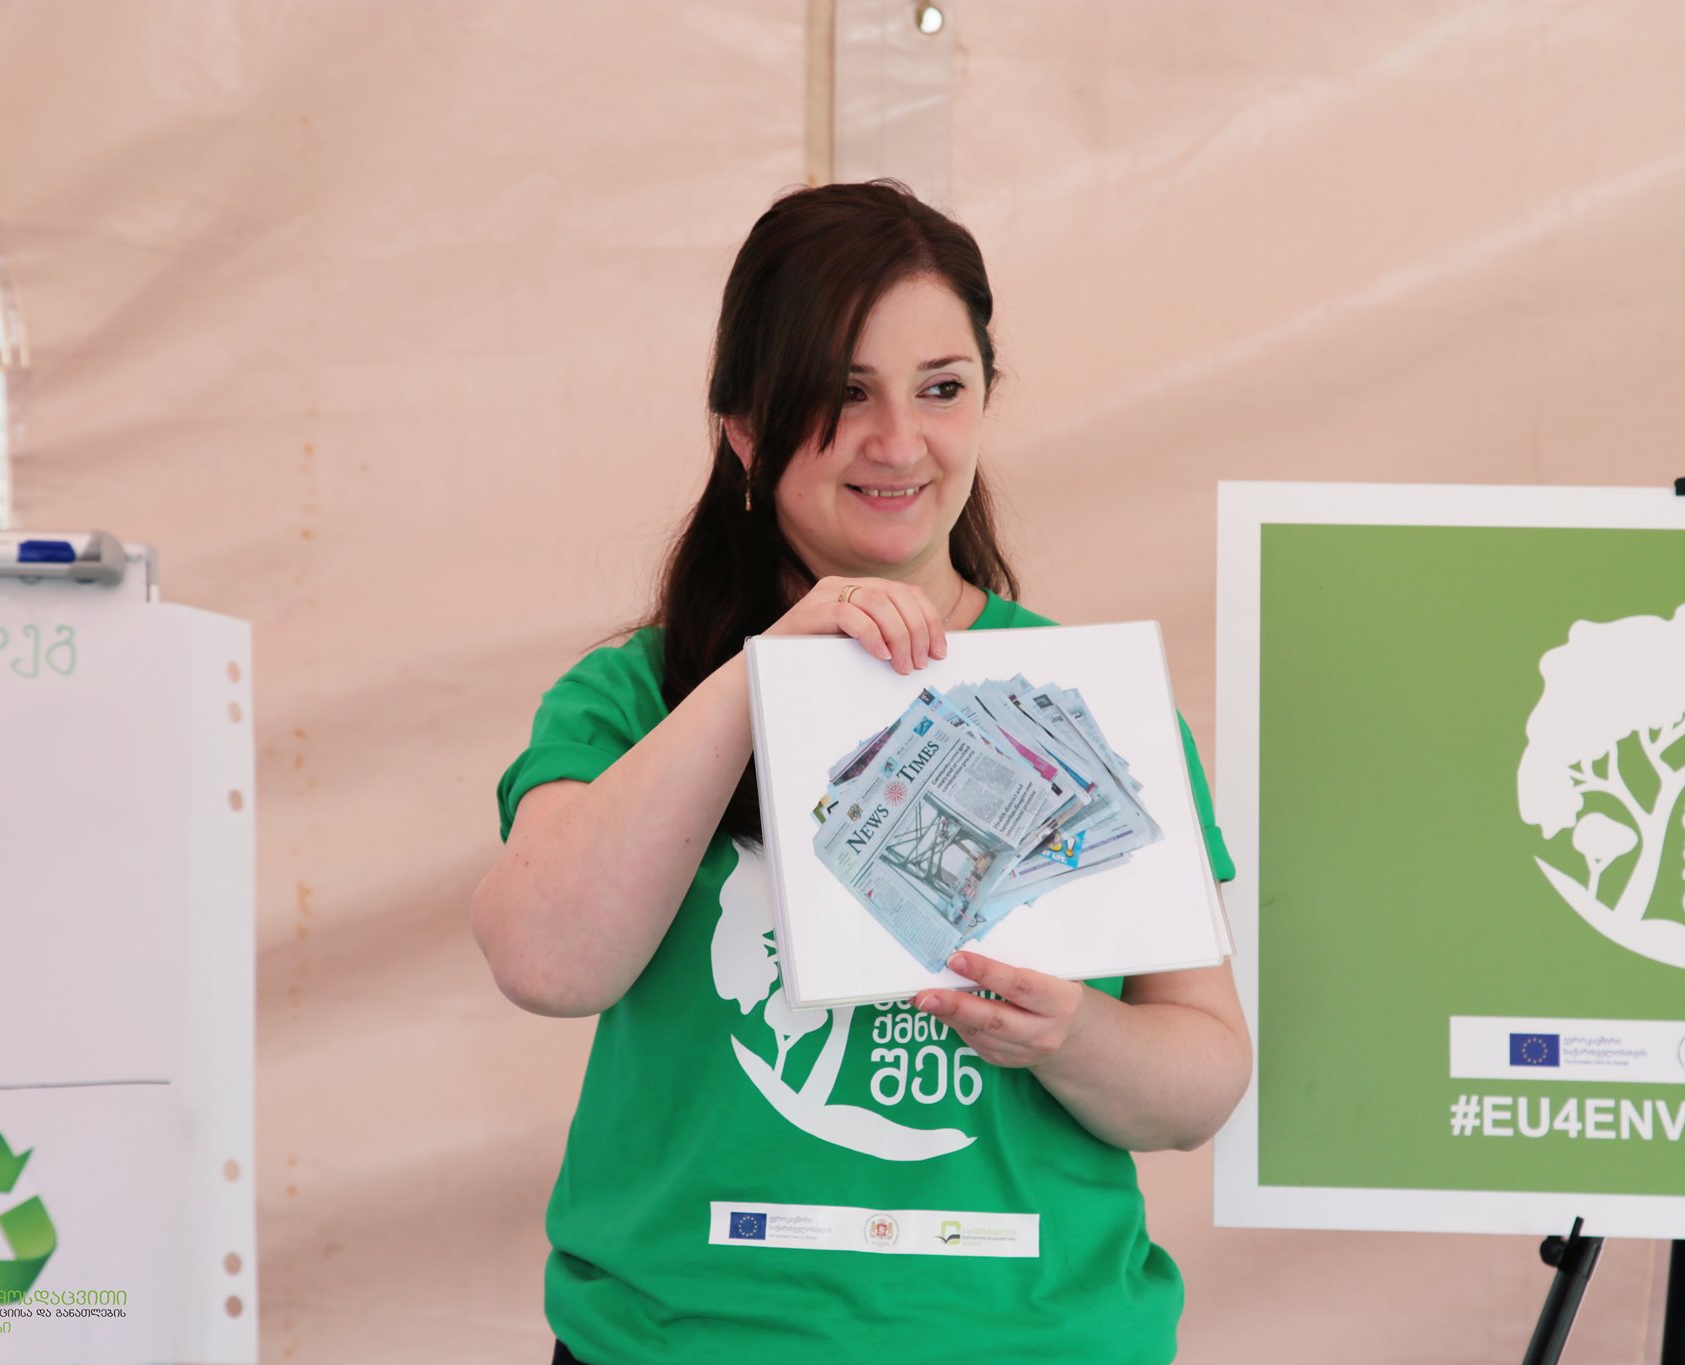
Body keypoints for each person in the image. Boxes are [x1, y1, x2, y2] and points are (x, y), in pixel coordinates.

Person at [470, 180, 1252, 1365]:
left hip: (1031, 1341)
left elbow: (1200, 1081)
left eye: (940, 389)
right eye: (842, 394)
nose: (896, 443)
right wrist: (761, 674)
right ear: (745, 429)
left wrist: (1071, 1038)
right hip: (688, 1340)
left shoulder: (1085, 700)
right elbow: (545, 962)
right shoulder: (636, 694)